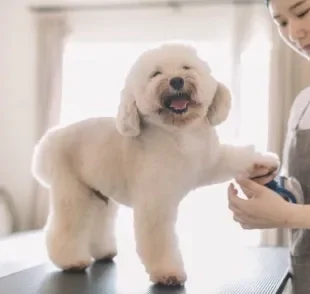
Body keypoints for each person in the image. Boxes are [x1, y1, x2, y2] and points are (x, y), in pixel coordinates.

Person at [227, 0, 310, 293]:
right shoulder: (304, 103)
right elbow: (304, 194)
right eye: (282, 22)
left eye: (302, 12)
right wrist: (273, 186)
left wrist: (288, 216)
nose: (295, 33)